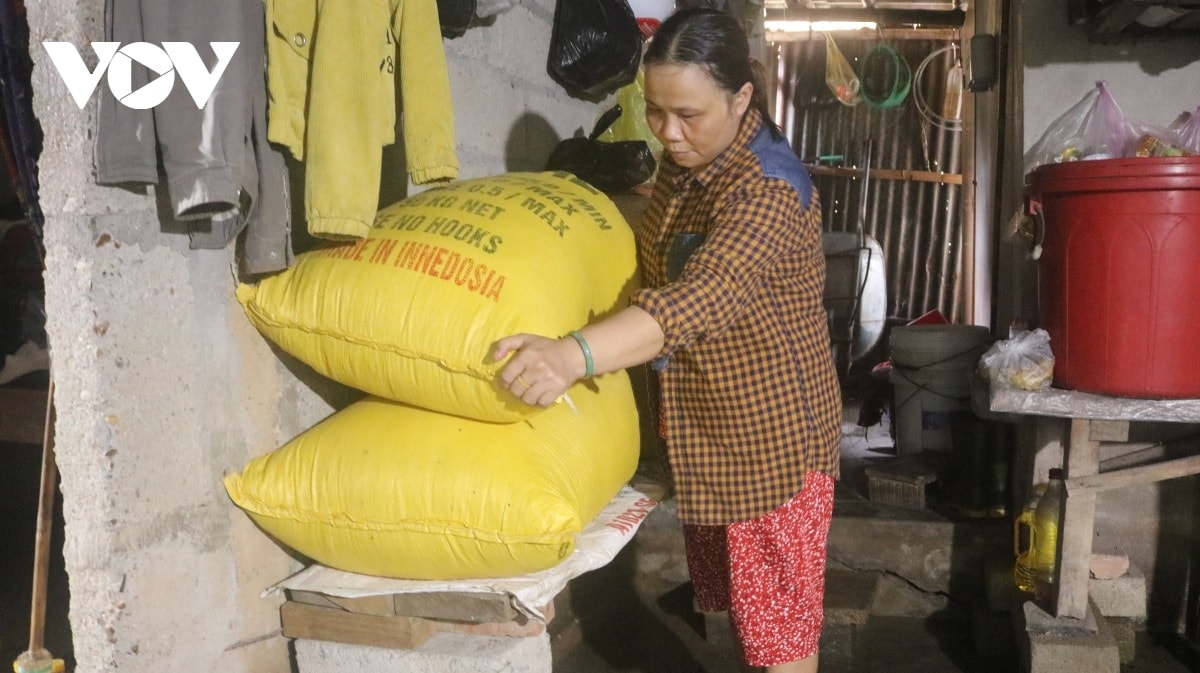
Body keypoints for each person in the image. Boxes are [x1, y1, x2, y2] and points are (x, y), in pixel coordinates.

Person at [493, 8, 841, 672]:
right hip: (709, 427)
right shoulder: (689, 164)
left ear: (742, 97)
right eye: (655, 112)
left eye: (688, 114)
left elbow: (700, 294)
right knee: (746, 619)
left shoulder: (766, 188)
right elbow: (656, 249)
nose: (669, 133)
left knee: (780, 639)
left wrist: (574, 353)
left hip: (770, 447)